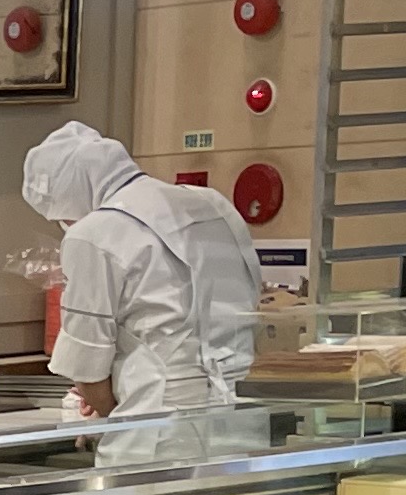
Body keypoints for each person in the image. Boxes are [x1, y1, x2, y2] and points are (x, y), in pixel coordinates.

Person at [20, 119, 262, 418]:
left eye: (63, 218)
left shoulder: (92, 233)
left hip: (160, 422)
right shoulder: (213, 204)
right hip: (241, 412)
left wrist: (112, 418)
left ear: (73, 198)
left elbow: (87, 370)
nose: (66, 225)